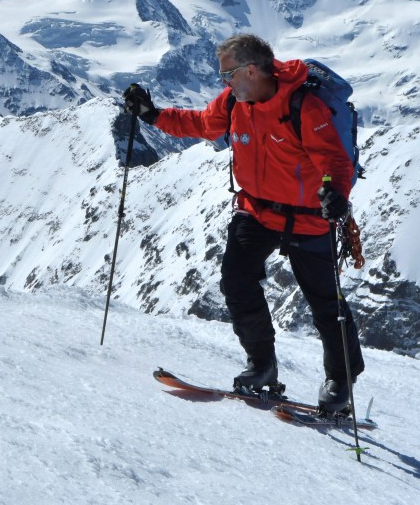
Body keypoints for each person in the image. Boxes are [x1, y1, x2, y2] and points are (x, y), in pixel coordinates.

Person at [123, 33, 364, 412]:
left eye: (228, 74)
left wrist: (336, 191)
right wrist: (152, 115)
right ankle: (262, 365)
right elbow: (204, 124)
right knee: (236, 281)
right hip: (256, 210)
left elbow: (335, 160)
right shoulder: (236, 100)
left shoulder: (305, 104)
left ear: (252, 69)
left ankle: (340, 380)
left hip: (307, 217)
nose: (225, 82)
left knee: (324, 304)